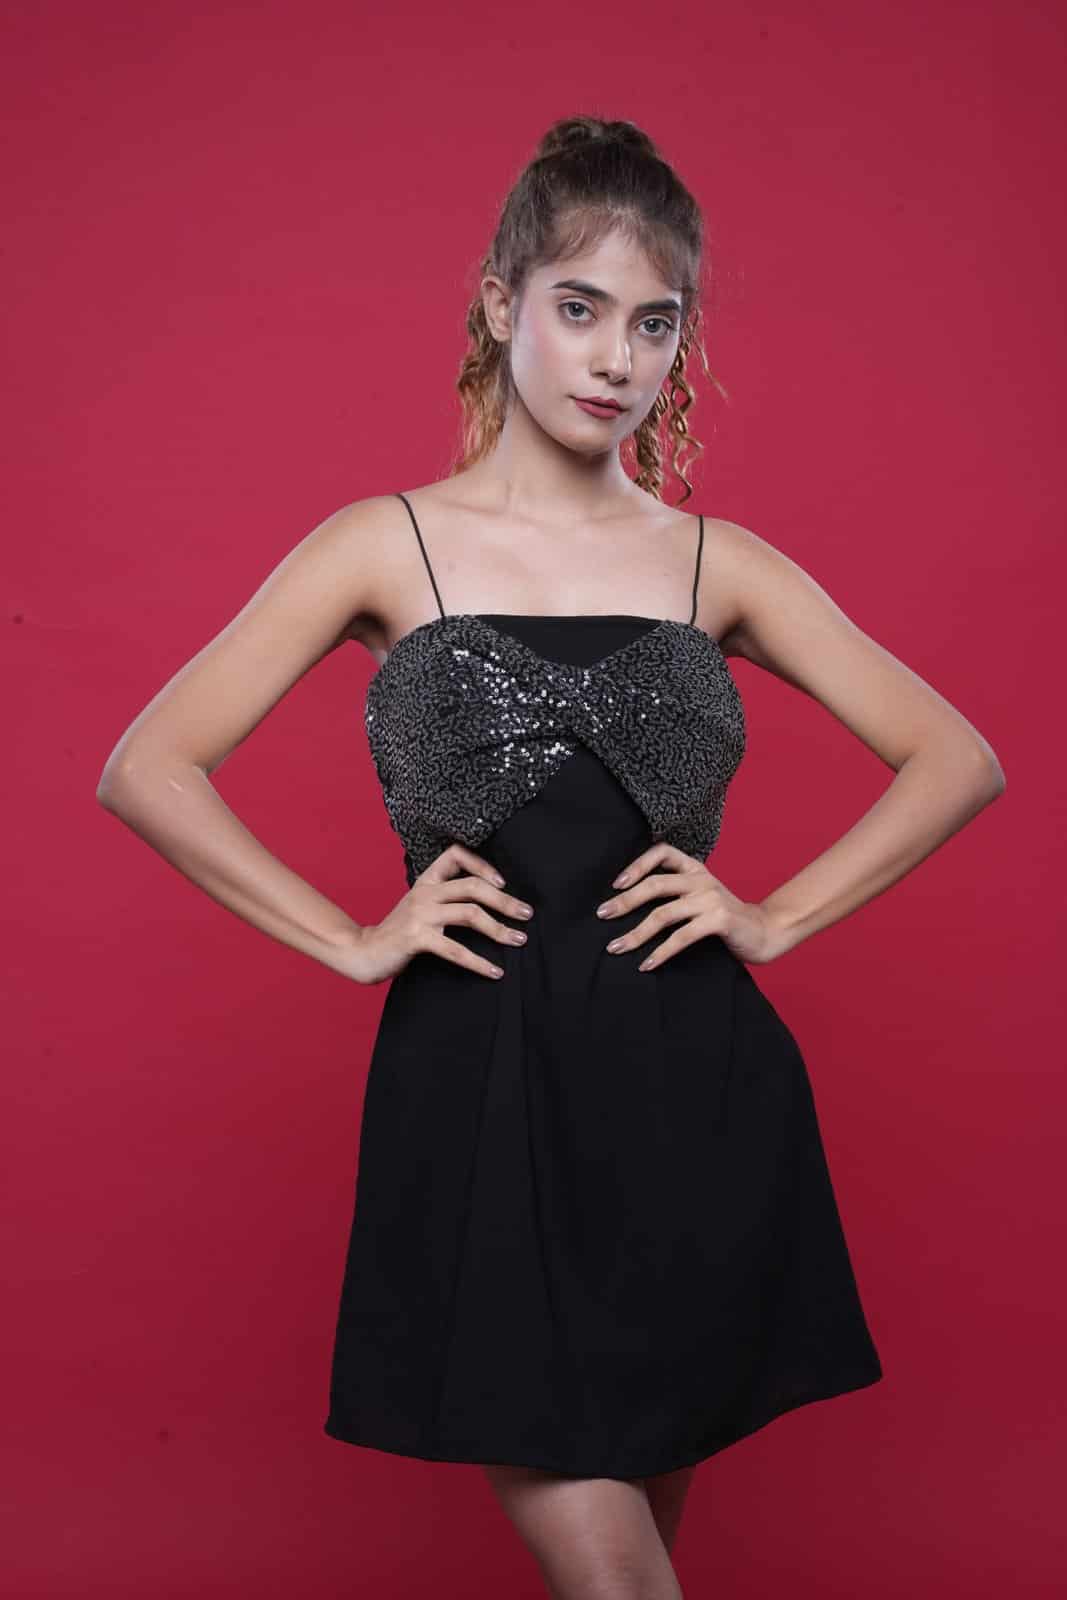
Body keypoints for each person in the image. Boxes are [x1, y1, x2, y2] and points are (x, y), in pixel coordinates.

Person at [96, 115, 1005, 1600]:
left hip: (695, 1101)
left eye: (655, 323)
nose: (615, 358)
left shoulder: (714, 562)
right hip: (480, 1097)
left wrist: (775, 916)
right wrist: (351, 938)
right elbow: (149, 765)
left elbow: (957, 755)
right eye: (580, 308)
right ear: (498, 303)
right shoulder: (383, 545)